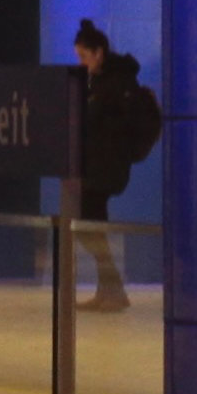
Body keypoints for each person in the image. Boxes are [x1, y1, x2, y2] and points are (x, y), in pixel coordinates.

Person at [71, 19, 162, 311]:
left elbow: (116, 126)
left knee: (88, 223)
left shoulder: (118, 84)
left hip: (106, 168)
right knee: (89, 224)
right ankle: (109, 289)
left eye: (84, 56)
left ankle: (113, 289)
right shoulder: (99, 82)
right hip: (98, 166)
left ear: (98, 53)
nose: (82, 63)